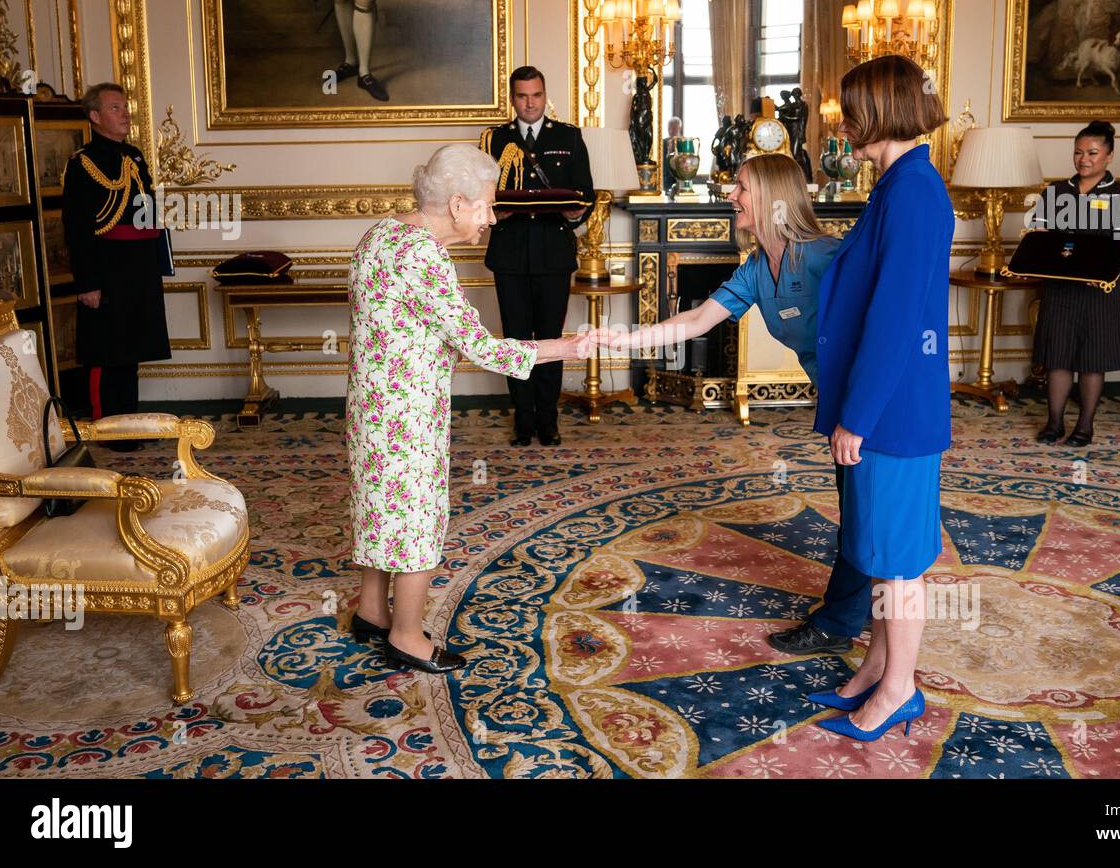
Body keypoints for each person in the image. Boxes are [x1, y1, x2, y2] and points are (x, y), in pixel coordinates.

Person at [602, 153, 870, 655]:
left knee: (867, 514)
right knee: (859, 510)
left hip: (870, 401)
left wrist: (861, 412)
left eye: (741, 188)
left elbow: (878, 330)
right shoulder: (755, 268)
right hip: (839, 400)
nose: (731, 195)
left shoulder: (827, 257)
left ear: (771, 197)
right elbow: (695, 321)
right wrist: (622, 339)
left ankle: (843, 622)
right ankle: (864, 611)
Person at [347, 144, 595, 674]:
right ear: (457, 204)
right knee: (414, 518)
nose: (490, 218)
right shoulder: (423, 256)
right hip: (406, 415)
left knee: (379, 507)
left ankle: (371, 610)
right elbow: (480, 346)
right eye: (485, 206)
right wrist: (562, 347)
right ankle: (407, 636)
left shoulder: (381, 234)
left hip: (370, 405)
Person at [811, 55, 952, 741]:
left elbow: (895, 320)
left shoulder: (914, 192)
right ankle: (876, 664)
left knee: (897, 562)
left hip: (892, 414)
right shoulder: (898, 184)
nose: (842, 121)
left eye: (849, 108)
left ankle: (899, 689)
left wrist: (857, 417)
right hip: (885, 409)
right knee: (877, 550)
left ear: (878, 110)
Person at [479, 66, 594, 447]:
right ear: (512, 99)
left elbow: (585, 194)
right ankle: (522, 421)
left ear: (546, 96)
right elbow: (479, 196)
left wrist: (577, 213)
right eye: (522, 96)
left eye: (537, 95)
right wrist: (495, 213)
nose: (530, 103)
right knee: (515, 341)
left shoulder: (568, 136)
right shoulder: (494, 140)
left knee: (549, 340)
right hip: (510, 255)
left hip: (552, 254)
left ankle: (548, 420)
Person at [62, 82, 171, 450]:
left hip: (137, 269)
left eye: (125, 107)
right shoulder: (82, 163)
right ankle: (107, 428)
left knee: (131, 350)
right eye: (115, 108)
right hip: (105, 269)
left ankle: (130, 424)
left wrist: (158, 263)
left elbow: (148, 212)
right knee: (106, 353)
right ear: (94, 116)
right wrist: (87, 283)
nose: (125, 114)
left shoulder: (133, 157)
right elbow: (77, 228)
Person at [1030, 120, 1120, 446]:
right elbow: (1040, 238)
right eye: (1078, 152)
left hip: (1101, 291)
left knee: (1092, 359)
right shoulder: (1055, 191)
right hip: (1061, 288)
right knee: (1057, 357)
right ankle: (1054, 423)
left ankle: (1085, 427)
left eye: (1092, 152)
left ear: (1109, 156)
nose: (1084, 159)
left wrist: (1098, 270)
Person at [662, 116, 682, 193]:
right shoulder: (662, 143)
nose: (671, 131)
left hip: (680, 181)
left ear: (679, 128)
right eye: (669, 128)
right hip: (665, 183)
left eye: (674, 128)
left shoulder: (685, 143)